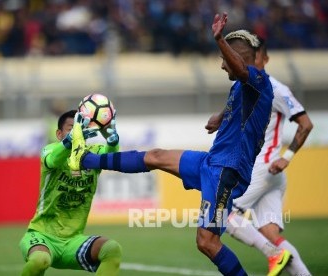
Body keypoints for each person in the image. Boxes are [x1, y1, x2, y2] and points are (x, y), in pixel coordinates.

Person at [68, 13, 278, 276]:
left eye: (224, 60)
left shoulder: (259, 81)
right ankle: (85, 159)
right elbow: (242, 106)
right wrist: (220, 116)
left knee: (207, 242)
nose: (222, 66)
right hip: (211, 163)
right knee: (156, 156)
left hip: (228, 172)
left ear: (236, 58)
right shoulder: (240, 88)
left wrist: (218, 39)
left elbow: (239, 71)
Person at [225, 38, 313, 276]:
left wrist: (288, 156)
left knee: (222, 214)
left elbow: (305, 123)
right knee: (272, 235)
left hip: (263, 167)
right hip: (269, 174)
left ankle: (272, 254)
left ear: (261, 58)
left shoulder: (275, 89)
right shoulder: (247, 86)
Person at [19, 110, 122, 276]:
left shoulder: (92, 154)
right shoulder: (50, 150)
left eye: (81, 129)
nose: (78, 132)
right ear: (59, 134)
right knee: (40, 260)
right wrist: (70, 141)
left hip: (73, 243)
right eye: (72, 129)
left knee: (112, 249)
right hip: (42, 236)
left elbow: (112, 158)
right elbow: (52, 160)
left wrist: (112, 141)